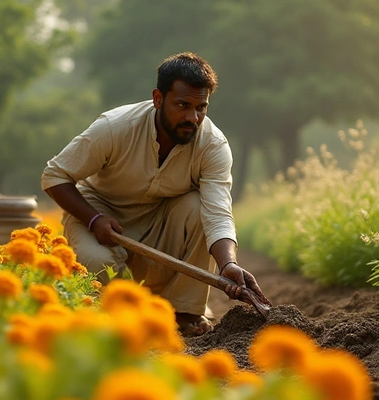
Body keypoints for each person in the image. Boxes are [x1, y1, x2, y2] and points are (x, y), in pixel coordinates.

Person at [41, 51, 270, 336]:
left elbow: (218, 212)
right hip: (100, 215)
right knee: (100, 268)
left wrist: (228, 263)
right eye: (183, 105)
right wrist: (93, 218)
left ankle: (183, 312)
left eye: (201, 107)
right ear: (158, 99)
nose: (193, 117)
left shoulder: (213, 145)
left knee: (197, 206)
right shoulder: (114, 127)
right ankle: (123, 315)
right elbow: (54, 175)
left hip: (162, 220)